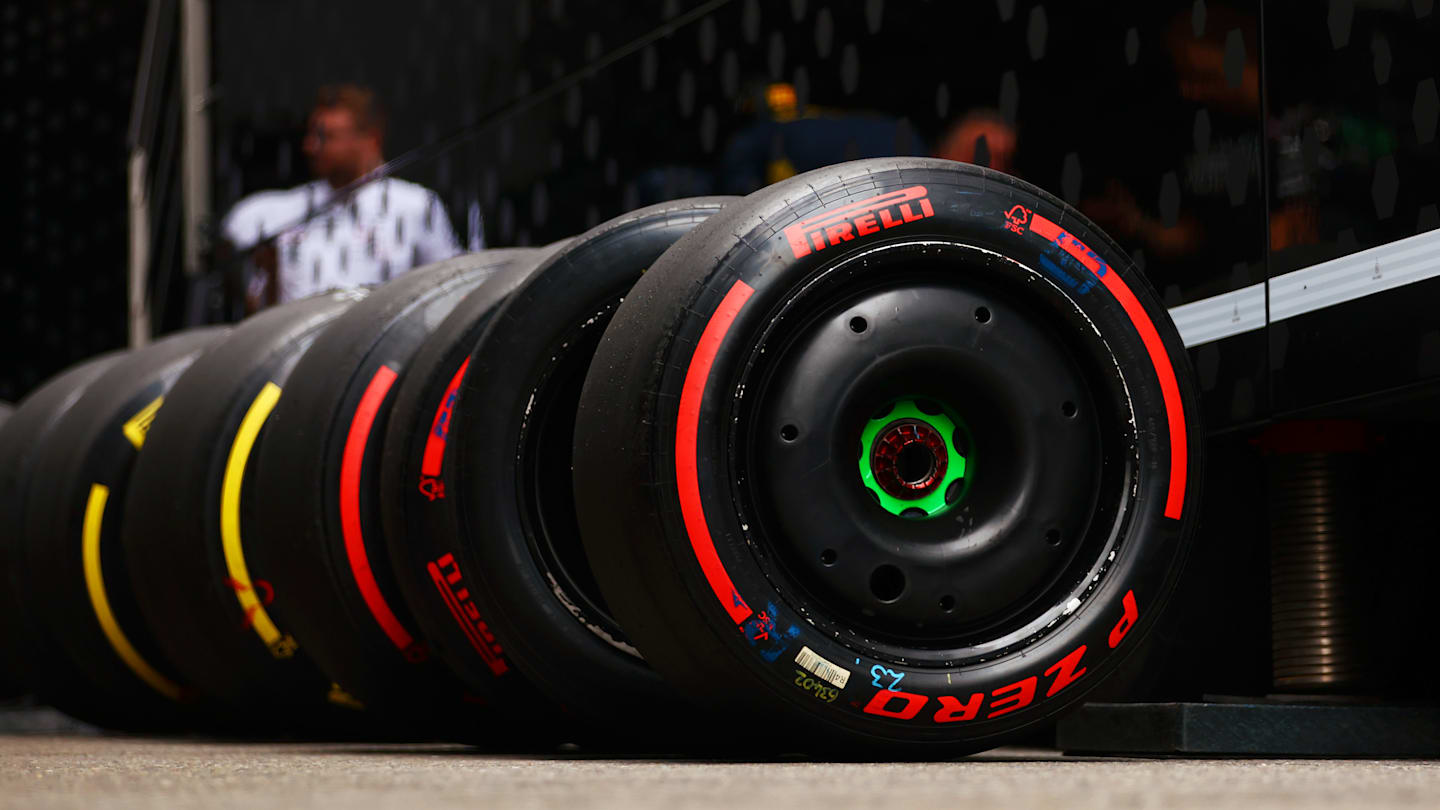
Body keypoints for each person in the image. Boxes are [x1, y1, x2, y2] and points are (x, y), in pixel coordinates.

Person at [220, 85, 461, 312]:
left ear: (370, 139)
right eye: (311, 134)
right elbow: (256, 309)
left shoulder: (415, 206)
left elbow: (449, 291)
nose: (310, 146)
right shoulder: (282, 211)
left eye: (326, 136)